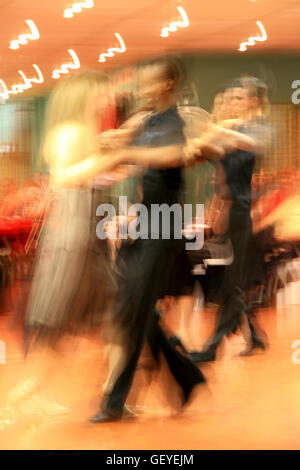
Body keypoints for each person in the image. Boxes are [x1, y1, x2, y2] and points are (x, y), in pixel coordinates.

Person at [89, 57, 256, 423]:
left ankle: (114, 403)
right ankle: (187, 378)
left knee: (134, 312)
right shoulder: (147, 121)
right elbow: (119, 151)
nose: (142, 89)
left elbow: (171, 157)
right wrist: (112, 139)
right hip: (144, 223)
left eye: (149, 83)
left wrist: (128, 150)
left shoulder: (177, 122)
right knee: (136, 309)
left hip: (163, 229)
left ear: (166, 85)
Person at [190, 77, 272, 362]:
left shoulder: (259, 129)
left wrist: (220, 129)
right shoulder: (232, 129)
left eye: (239, 98)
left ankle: (213, 345)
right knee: (230, 279)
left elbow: (249, 143)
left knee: (232, 282)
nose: (234, 103)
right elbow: (205, 153)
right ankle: (255, 335)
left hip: (240, 214)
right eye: (231, 98)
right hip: (227, 212)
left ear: (255, 101)